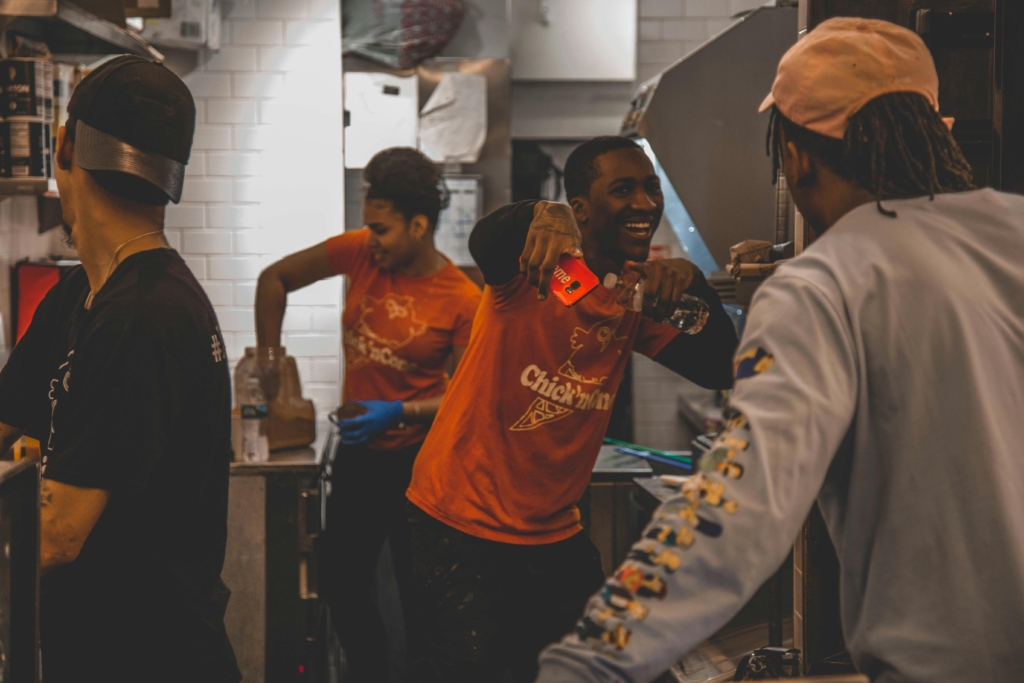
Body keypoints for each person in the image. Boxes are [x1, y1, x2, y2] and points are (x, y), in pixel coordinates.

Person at [536, 18, 1024, 683]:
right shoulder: (1014, 232)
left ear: (793, 157)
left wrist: (590, 661)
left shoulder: (825, 284)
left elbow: (731, 510)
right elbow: (503, 249)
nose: (644, 204)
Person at [403, 135, 739, 682]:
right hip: (459, 524)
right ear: (582, 209)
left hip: (552, 534)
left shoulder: (634, 295)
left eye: (651, 189)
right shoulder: (541, 270)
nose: (645, 203)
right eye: (623, 189)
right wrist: (544, 212)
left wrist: (693, 284)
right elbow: (488, 240)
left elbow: (721, 368)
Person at [0, 57, 240, 682]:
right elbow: (6, 422)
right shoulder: (84, 295)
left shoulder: (140, 317)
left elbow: (56, 536)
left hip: (151, 660)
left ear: (65, 147)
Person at [254, 147, 482, 681]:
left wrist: (401, 410)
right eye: (368, 226)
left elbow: (470, 395)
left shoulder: (462, 298)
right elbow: (274, 280)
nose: (370, 238)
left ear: (419, 225)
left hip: (419, 465)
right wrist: (269, 363)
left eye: (380, 228)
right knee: (342, 584)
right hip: (359, 453)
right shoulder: (360, 254)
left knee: (416, 594)